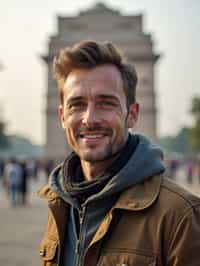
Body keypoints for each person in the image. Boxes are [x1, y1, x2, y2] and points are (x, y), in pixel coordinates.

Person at [38, 41, 200, 266]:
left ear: (132, 114)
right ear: (63, 116)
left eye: (106, 103)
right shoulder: (60, 203)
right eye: (76, 104)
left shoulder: (181, 215)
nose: (90, 119)